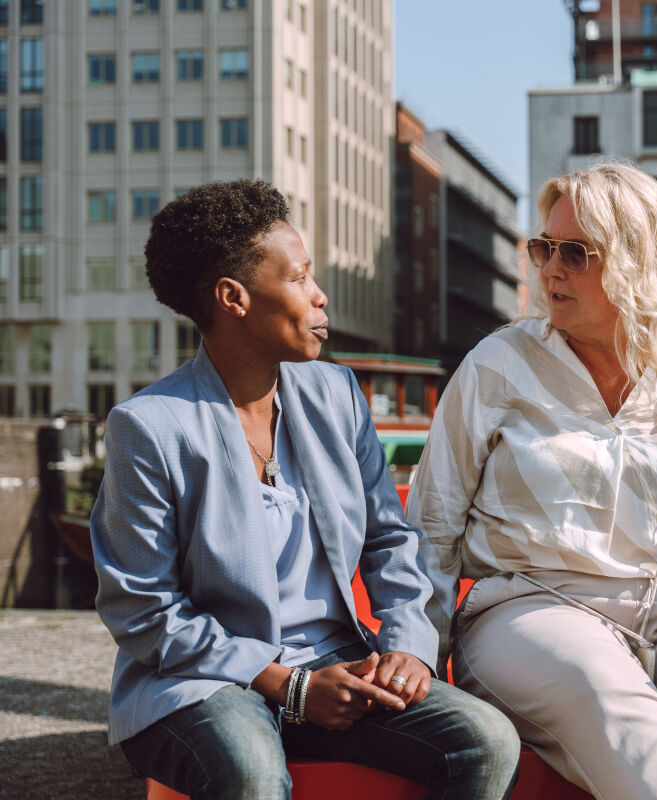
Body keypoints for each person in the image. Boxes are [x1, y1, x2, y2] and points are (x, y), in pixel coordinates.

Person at [91, 179, 520, 800]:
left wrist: (407, 648)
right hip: (204, 681)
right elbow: (143, 610)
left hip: (338, 663)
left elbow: (388, 541)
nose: (320, 298)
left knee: (485, 739)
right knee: (251, 773)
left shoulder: (336, 395)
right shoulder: (151, 426)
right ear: (233, 297)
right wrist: (287, 686)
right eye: (299, 279)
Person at [409, 162, 657, 799]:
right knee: (617, 708)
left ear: (643, 263)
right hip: (531, 610)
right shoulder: (497, 365)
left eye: (577, 253)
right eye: (544, 248)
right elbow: (431, 525)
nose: (551, 269)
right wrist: (420, 654)